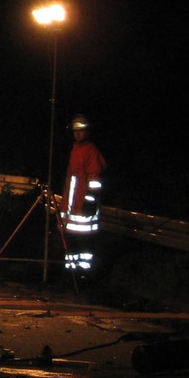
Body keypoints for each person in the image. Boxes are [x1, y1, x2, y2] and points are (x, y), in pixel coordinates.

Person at [59, 113, 107, 276]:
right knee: (71, 241)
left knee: (84, 242)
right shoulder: (75, 150)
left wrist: (90, 200)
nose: (78, 134)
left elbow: (95, 178)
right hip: (72, 206)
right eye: (75, 131)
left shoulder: (91, 151)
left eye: (81, 131)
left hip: (84, 206)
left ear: (88, 132)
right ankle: (71, 272)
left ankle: (84, 273)